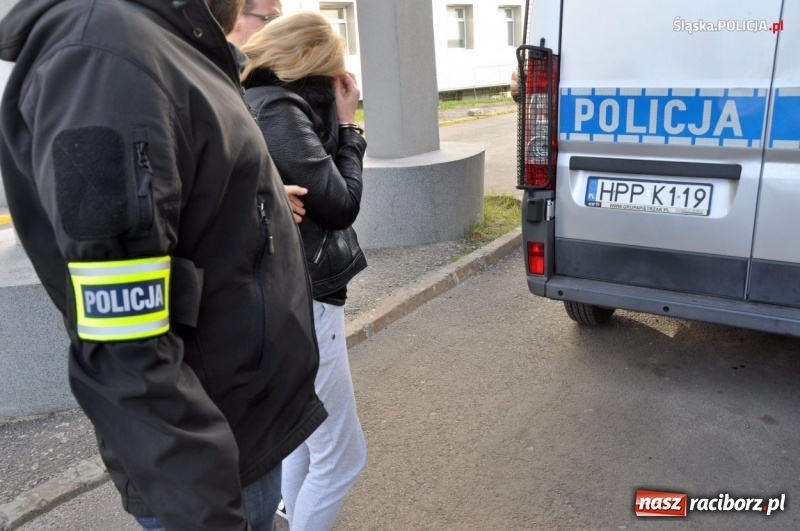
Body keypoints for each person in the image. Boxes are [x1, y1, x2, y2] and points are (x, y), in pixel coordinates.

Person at [0, 1, 327, 530]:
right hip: (211, 469)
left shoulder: (167, 42)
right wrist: (208, 513)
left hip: (243, 433)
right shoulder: (105, 54)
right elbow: (124, 342)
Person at [242, 12, 368, 531]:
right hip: (307, 296)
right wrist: (349, 127)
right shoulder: (279, 108)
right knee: (342, 457)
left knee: (301, 439)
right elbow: (340, 205)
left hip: (295, 292)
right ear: (314, 63)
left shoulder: (264, 101)